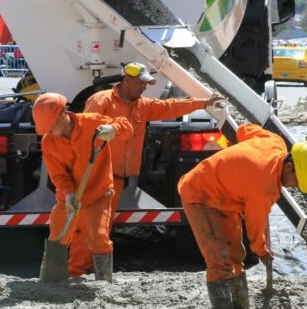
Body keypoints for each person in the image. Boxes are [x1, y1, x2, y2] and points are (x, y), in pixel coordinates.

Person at [66, 62, 223, 277]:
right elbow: (86, 135)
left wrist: (203, 103)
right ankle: (76, 270)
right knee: (87, 224)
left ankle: (88, 267)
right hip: (96, 174)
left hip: (117, 177)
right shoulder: (100, 101)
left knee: (102, 223)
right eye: (141, 83)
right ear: (127, 80)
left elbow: (171, 106)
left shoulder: (142, 105)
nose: (144, 88)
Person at [177, 126, 307, 309]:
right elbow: (255, 225)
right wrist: (262, 250)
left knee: (235, 253)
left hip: (226, 196)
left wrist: (238, 163)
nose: (295, 187)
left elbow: (244, 130)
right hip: (200, 194)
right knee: (218, 257)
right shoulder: (264, 187)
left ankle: (240, 304)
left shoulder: (275, 142)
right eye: (296, 181)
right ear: (290, 166)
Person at [32, 92, 133, 282]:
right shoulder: (48, 142)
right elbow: (59, 175)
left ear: (63, 115)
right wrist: (69, 195)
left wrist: (114, 128)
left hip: (98, 194)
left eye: (51, 126)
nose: (49, 131)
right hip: (68, 198)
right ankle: (50, 280)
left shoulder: (92, 124)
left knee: (99, 237)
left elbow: (126, 127)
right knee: (58, 237)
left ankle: (104, 282)